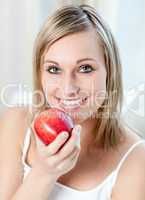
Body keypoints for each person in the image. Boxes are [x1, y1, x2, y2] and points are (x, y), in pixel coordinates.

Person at [0, 4, 145, 200]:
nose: (68, 88)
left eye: (85, 68)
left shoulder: (135, 161)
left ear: (110, 71)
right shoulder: (16, 123)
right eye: (54, 69)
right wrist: (43, 173)